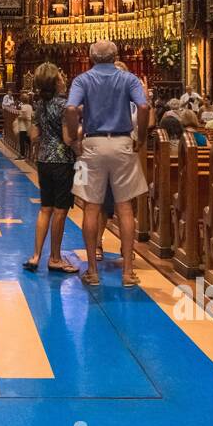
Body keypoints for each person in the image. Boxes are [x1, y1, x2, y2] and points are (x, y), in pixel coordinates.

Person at [64, 40, 149, 288]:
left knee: (91, 207)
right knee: (125, 208)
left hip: (93, 143)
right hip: (123, 142)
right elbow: (143, 106)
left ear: (91, 57)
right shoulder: (129, 79)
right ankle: (128, 272)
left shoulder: (82, 80)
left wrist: (73, 139)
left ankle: (92, 270)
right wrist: (140, 137)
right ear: (116, 57)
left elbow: (71, 109)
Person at [23, 63, 79, 275]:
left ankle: (36, 255)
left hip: (44, 160)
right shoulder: (64, 106)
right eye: (61, 77)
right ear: (56, 82)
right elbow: (67, 138)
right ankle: (55, 258)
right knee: (60, 211)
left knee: (45, 208)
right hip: (62, 162)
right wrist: (79, 142)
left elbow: (33, 136)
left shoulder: (40, 105)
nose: (64, 80)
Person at [14, 92, 34, 160]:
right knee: (28, 140)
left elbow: (24, 116)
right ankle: (30, 153)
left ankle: (22, 155)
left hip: (23, 126)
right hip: (29, 125)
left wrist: (19, 117)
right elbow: (31, 115)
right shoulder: (30, 106)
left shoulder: (23, 106)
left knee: (22, 141)